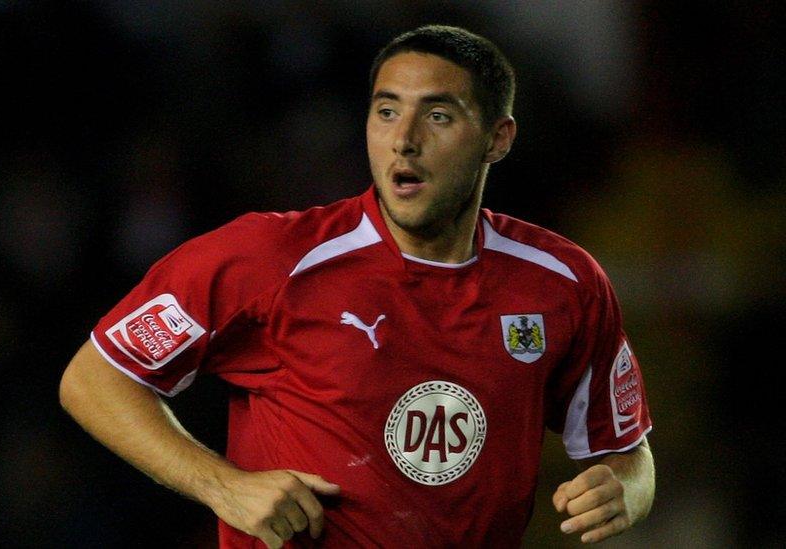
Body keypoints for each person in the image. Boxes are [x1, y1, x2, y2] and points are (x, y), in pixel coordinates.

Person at [60, 25, 655, 548]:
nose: (405, 138)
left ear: (498, 138)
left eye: (439, 115)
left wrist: (628, 489)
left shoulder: (561, 282)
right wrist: (226, 488)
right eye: (387, 110)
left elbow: (628, 453)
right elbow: (93, 379)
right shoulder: (269, 258)